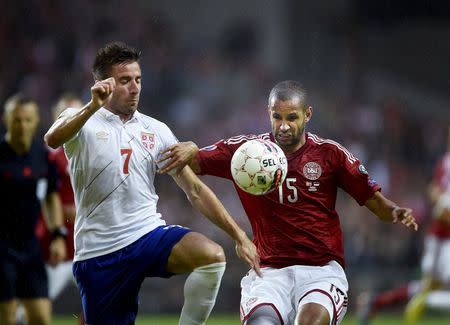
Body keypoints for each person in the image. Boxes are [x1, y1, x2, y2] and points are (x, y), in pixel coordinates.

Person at [157, 80, 419, 325]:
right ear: (269, 113)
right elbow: (192, 159)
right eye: (277, 117)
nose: (283, 126)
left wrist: (394, 211)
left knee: (311, 321)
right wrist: (190, 147)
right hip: (268, 271)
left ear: (307, 115)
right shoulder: (246, 152)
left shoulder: (330, 154)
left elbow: (374, 201)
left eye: (291, 117)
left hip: (321, 271)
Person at [44, 41, 260, 325]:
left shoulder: (156, 130)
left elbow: (194, 190)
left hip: (146, 234)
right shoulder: (81, 119)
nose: (134, 88)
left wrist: (239, 236)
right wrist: (92, 106)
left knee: (211, 257)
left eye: (138, 79)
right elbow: (52, 138)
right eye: (124, 81)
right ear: (102, 84)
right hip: (100, 252)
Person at [357, 127, 450, 325]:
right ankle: (385, 302)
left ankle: (376, 302)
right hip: (443, 239)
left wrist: (439, 199)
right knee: (433, 286)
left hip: (441, 238)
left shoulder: (445, 161)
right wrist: (441, 201)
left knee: (429, 287)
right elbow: (435, 193)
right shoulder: (447, 161)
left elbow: (434, 189)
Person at [0, 94, 66, 324]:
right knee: (6, 316)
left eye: (27, 120)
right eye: (17, 120)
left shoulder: (42, 157)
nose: (22, 126)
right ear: (6, 120)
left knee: (40, 316)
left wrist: (58, 234)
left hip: (30, 247)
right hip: (2, 248)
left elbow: (51, 197)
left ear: (36, 121)